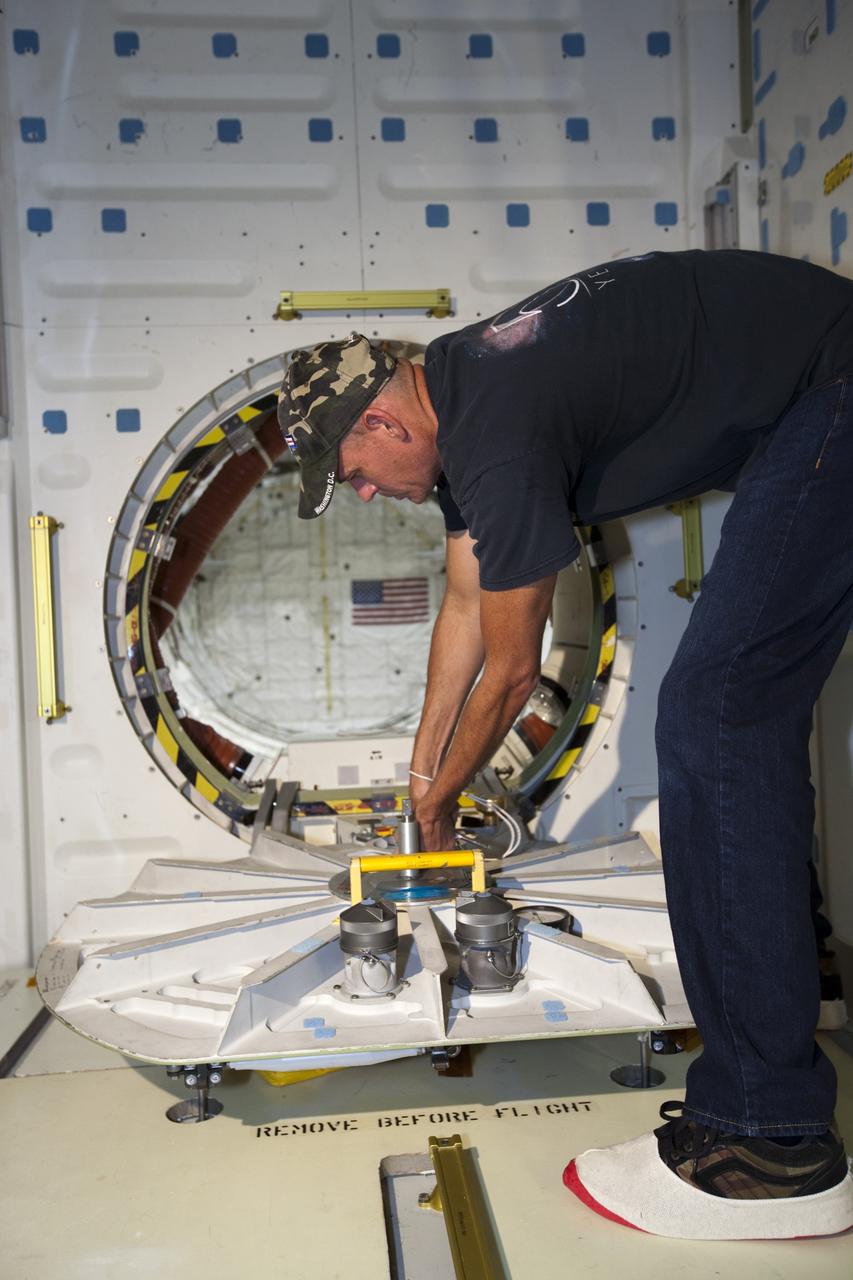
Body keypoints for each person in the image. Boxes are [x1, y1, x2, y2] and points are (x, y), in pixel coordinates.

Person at [277, 249, 853, 1240]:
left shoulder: (493, 428)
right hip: (818, 403)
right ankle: (759, 1110)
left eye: (353, 475)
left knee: (715, 713)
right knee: (718, 710)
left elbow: (509, 673)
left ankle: (772, 1138)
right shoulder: (466, 397)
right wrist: (421, 784)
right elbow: (464, 603)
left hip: (837, 393)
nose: (365, 493)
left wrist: (439, 807)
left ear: (382, 420)